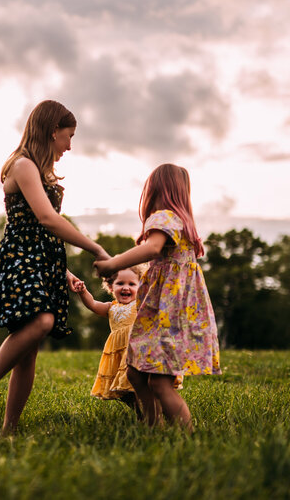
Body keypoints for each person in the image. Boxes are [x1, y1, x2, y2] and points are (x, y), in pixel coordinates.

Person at [0, 100, 110, 433]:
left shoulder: (41, 171)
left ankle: (8, 430)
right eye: (68, 136)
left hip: (43, 260)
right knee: (42, 321)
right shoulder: (23, 165)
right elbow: (46, 219)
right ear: (52, 130)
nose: (70, 146)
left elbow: (45, 229)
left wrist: (64, 271)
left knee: (29, 351)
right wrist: (95, 247)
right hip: (20, 259)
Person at [94, 164, 221, 431]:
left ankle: (187, 436)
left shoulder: (163, 217)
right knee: (135, 373)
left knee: (160, 383)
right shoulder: (181, 222)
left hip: (167, 315)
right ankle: (154, 427)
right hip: (171, 313)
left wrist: (113, 264)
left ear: (154, 190)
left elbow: (150, 248)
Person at [73, 266, 183, 420]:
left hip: (137, 350)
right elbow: (93, 304)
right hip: (119, 356)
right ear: (111, 287)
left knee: (141, 385)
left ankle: (157, 412)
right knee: (123, 392)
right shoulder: (111, 307)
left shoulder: (140, 303)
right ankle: (142, 412)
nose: (126, 287)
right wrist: (82, 292)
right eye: (120, 284)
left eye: (132, 284)